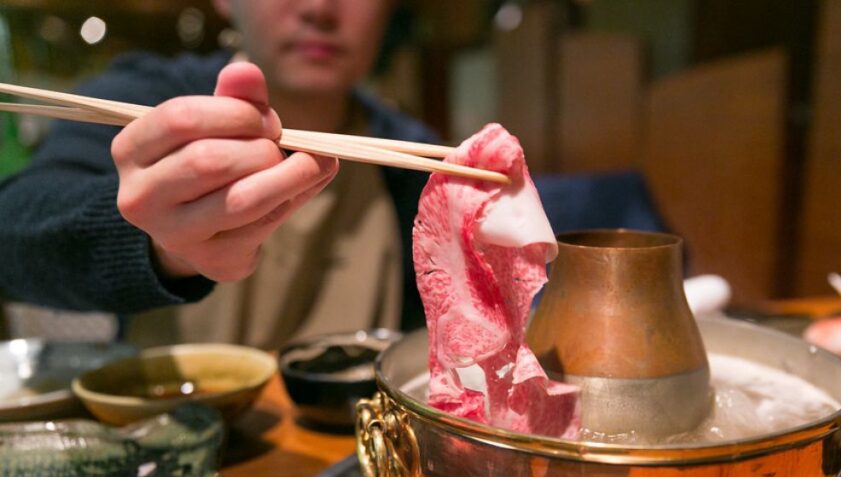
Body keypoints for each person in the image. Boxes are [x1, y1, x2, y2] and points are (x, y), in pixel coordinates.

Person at [0, 0, 670, 349]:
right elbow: (15, 232)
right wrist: (157, 242)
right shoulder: (149, 95)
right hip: (172, 453)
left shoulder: (413, 158)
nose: (320, 8)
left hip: (346, 459)